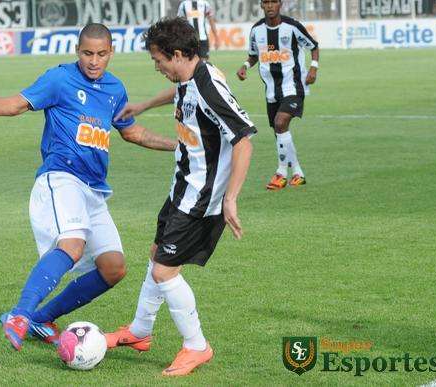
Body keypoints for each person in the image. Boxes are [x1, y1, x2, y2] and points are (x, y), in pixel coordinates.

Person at [0, 23, 177, 351]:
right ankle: (19, 315)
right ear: (77, 51)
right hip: (61, 178)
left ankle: (42, 317)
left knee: (113, 269)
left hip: (95, 190)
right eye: (87, 53)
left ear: (111, 53)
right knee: (73, 244)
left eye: (101, 54)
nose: (94, 61)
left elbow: (132, 131)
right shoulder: (60, 79)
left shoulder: (114, 89)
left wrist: (177, 146)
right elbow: (17, 104)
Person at [105, 18, 255, 377]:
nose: (157, 68)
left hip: (201, 199)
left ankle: (196, 346)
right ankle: (140, 332)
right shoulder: (190, 77)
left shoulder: (209, 85)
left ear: (176, 54)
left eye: (159, 61)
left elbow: (244, 140)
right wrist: (143, 106)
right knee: (157, 254)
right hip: (181, 188)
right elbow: (180, 93)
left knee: (164, 270)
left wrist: (231, 198)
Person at [236, 0, 319, 190]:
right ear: (261, 5)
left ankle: (281, 173)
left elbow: (313, 46)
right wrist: (245, 66)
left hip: (293, 86)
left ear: (280, 4)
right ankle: (298, 172)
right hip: (271, 90)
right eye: (266, 2)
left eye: (274, 2)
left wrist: (314, 68)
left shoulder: (292, 27)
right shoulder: (256, 30)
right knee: (280, 132)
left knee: (281, 123)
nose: (270, 6)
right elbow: (254, 54)